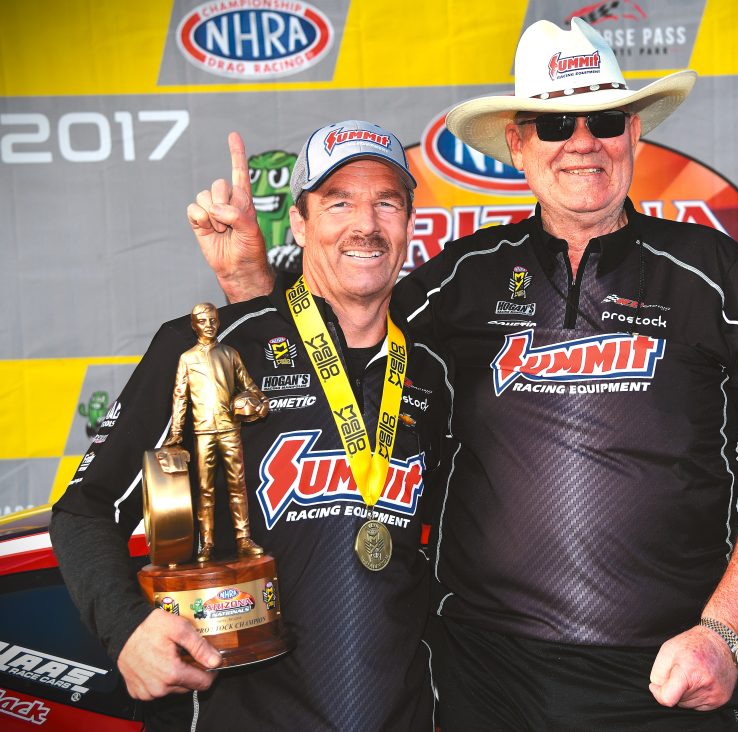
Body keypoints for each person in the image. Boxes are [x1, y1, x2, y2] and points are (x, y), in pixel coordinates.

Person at [203, 18, 738, 731]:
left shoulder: (710, 272)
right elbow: (322, 372)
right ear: (517, 143)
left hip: (665, 678)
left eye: (603, 118)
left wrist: (726, 634)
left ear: (633, 132)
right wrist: (248, 280)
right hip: (481, 680)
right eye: (553, 123)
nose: (581, 142)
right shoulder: (461, 280)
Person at [50, 121, 448, 730]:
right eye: (338, 202)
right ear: (299, 225)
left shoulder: (431, 372)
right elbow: (86, 509)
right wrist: (127, 629)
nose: (365, 224)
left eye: (386, 202)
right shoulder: (212, 347)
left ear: (409, 224)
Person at [165, 302, 268, 562]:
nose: (209, 325)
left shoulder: (230, 354)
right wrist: (176, 434)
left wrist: (261, 404)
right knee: (205, 489)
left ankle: (243, 539)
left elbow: (249, 384)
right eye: (203, 320)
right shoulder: (187, 358)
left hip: (230, 429)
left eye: (212, 320)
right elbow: (180, 398)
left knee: (238, 486)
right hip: (203, 433)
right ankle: (207, 543)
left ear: (218, 322)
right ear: (194, 325)